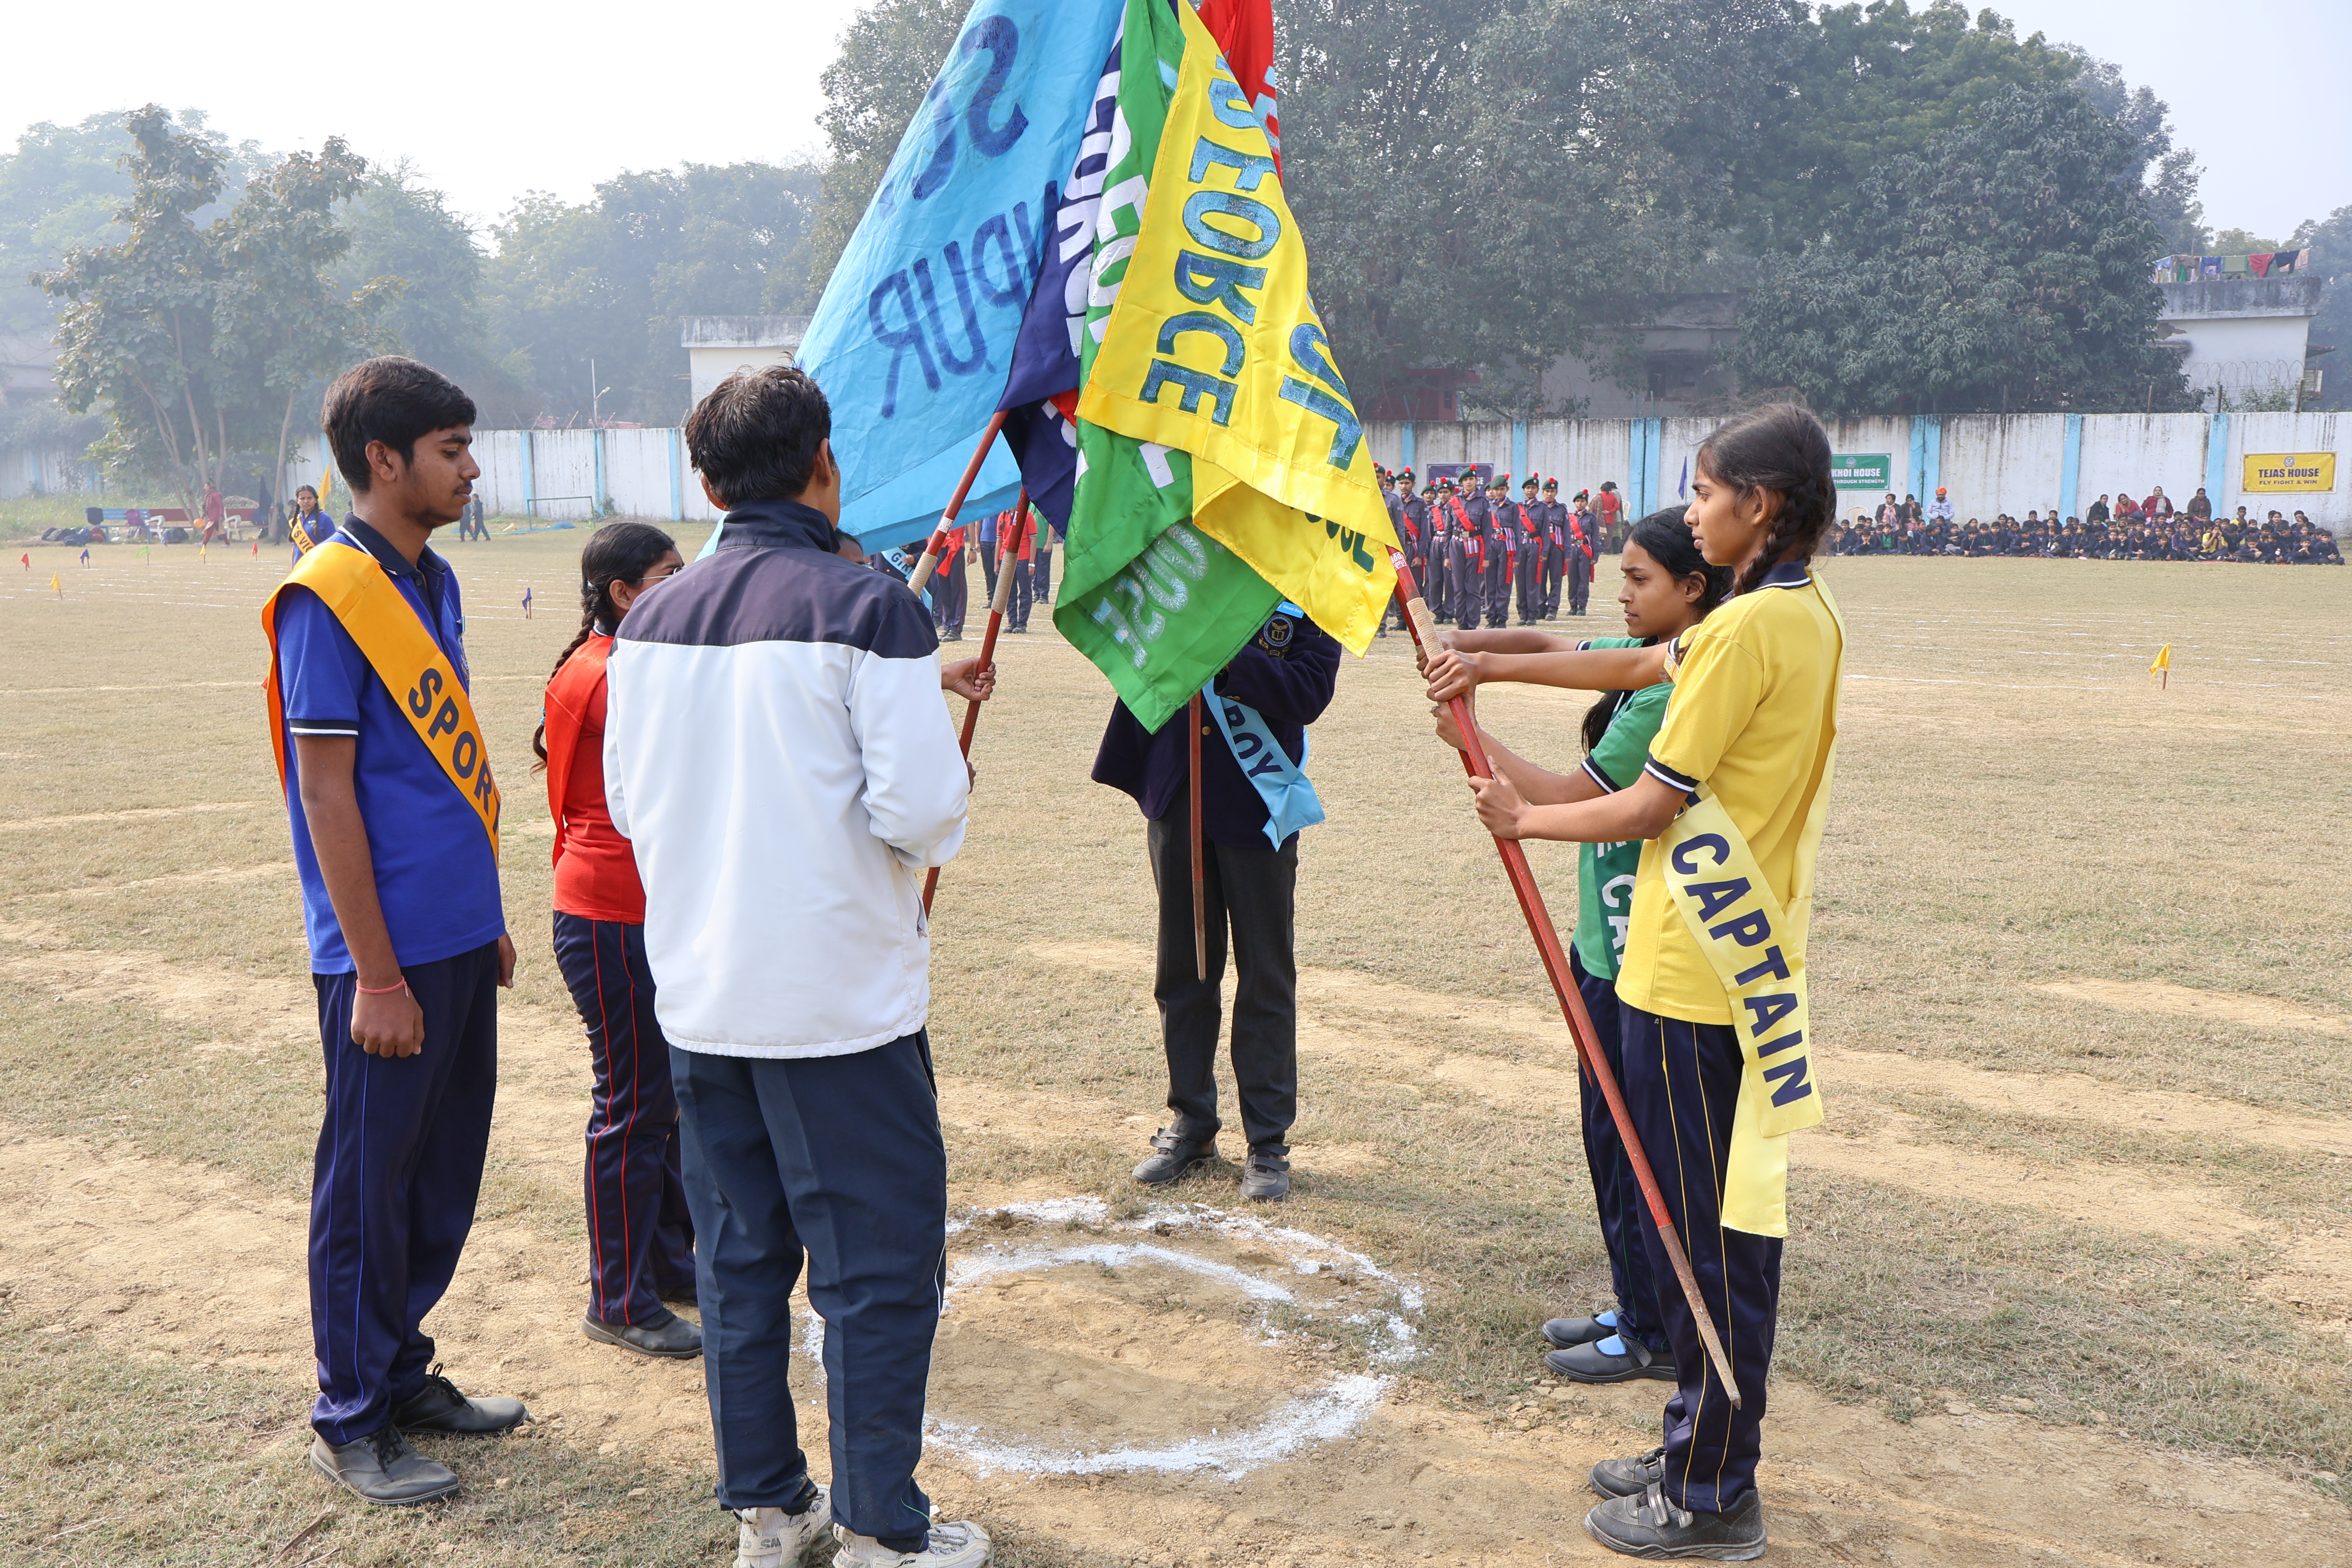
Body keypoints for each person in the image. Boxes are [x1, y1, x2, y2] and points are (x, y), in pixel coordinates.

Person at [1425, 403, 1844, 1562]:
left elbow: (1650, 801)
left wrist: (1522, 818)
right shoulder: (1792, 611)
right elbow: (1627, 662)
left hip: (1689, 969)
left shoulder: (1744, 630)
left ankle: (1711, 1490)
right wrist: (1489, 659)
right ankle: (1692, 1447)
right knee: (1707, 1228)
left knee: (1709, 1242)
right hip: (1731, 956)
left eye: (1705, 492)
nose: (1693, 509)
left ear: (1759, 504)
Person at [603, 365, 996, 1568]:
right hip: (840, 1011)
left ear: (707, 484)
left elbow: (630, 807)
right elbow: (925, 814)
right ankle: (880, 1530)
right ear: (828, 463)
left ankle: (770, 1514)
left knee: (739, 1265)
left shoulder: (646, 621)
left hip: (704, 998)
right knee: (877, 1275)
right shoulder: (870, 607)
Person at [261, 356, 526, 1507]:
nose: (471, 470)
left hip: (457, 934)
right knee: (370, 1187)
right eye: (451, 450)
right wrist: (374, 971)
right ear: (384, 458)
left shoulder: (435, 578)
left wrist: (488, 918)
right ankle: (350, 1413)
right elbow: (326, 793)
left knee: (441, 1171)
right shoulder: (328, 594)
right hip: (385, 955)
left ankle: (402, 1369)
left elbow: (439, 769)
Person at [1427, 511, 1731, 1388]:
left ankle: (1656, 1331)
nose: (1621, 593)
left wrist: (1474, 739)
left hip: (1644, 951)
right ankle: (1636, 1304)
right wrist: (1460, 644)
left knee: (1640, 1145)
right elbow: (1549, 645)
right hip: (1602, 941)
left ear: (1692, 590)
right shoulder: (1649, 655)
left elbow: (1570, 798)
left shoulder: (1675, 691)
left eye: (1638, 579)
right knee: (1610, 1135)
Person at [1098, 605, 1340, 1205]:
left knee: (1265, 976)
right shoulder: (1186, 576)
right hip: (1179, 793)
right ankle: (1192, 1122)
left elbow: (1310, 690)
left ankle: (1267, 1141)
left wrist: (1225, 652)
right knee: (1184, 970)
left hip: (1259, 804)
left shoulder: (1308, 590)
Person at [535, 523, 701, 1361]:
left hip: (631, 908)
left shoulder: (615, 662)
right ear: (624, 592)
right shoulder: (614, 675)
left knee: (658, 1105)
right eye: (671, 574)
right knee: (633, 1110)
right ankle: (617, 1298)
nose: (688, 583)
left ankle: (666, 1265)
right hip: (610, 914)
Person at [933, 521, 971, 641]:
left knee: (958, 588)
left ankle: (956, 628)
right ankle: (948, 625)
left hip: (956, 544)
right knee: (943, 589)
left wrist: (974, 548)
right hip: (939, 544)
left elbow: (970, 521)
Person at [289, 485, 335, 555]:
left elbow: (333, 545)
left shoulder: (325, 519)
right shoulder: (297, 520)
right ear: (298, 501)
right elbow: (295, 547)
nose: (306, 501)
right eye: (302, 499)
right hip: (300, 562)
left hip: (318, 561)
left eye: (310, 498)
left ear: (315, 500)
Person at [1594, 480, 1623, 549]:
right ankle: (1607, 549)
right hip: (1610, 518)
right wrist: (1610, 512)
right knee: (1609, 535)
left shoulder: (1598, 497)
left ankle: (1598, 548)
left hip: (1599, 519)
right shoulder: (1613, 497)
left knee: (1598, 534)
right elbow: (1618, 507)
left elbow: (1592, 507)